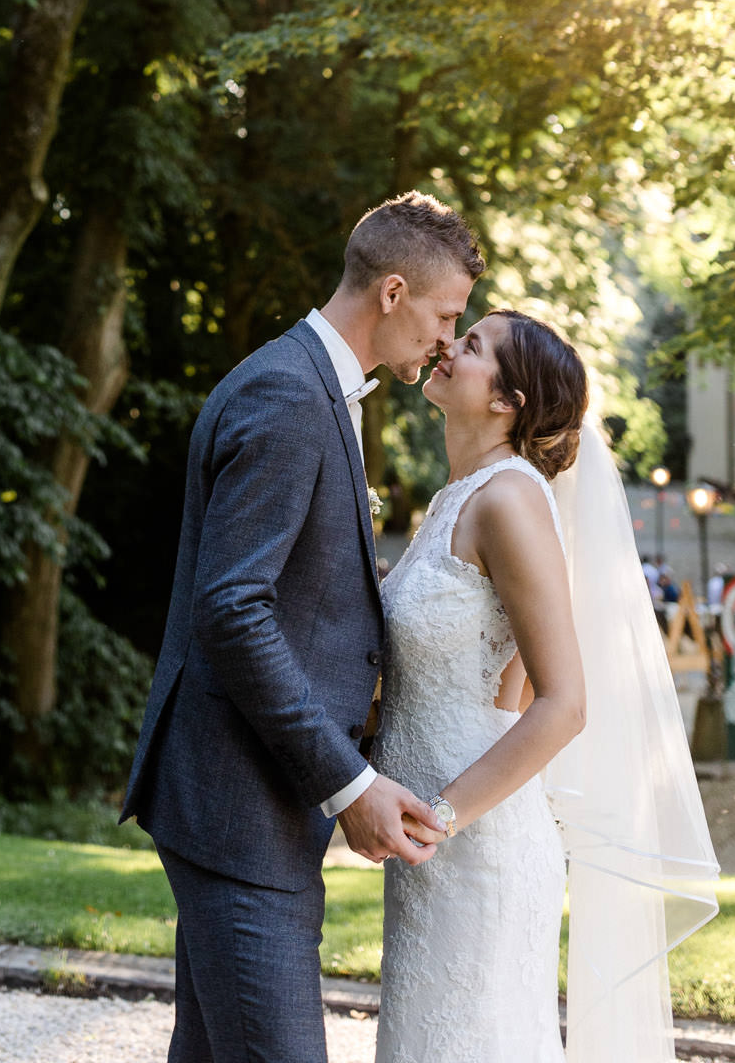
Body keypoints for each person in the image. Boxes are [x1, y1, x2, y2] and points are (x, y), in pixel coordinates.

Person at [121, 192, 485, 1063]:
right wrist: (348, 784)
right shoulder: (288, 396)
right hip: (238, 809)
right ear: (392, 292)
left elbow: (297, 596)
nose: (446, 341)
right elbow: (231, 611)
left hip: (248, 806)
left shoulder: (304, 383)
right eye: (445, 316)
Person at [375, 312, 718, 1063]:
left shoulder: (509, 499)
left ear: (508, 401)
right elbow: (504, 682)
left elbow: (565, 704)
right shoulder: (457, 497)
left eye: (472, 345)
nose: (447, 345)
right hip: (428, 842)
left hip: (470, 836)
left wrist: (440, 816)